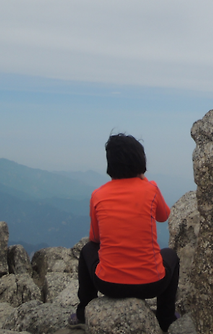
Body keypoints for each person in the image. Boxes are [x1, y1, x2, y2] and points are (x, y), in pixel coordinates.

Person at [70, 133, 180, 331]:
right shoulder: (151, 189)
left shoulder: (98, 195)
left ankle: (83, 312)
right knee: (170, 255)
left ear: (110, 164)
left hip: (108, 284)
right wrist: (145, 182)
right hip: (152, 284)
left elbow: (95, 238)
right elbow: (164, 216)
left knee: (88, 249)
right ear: (141, 162)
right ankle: (165, 318)